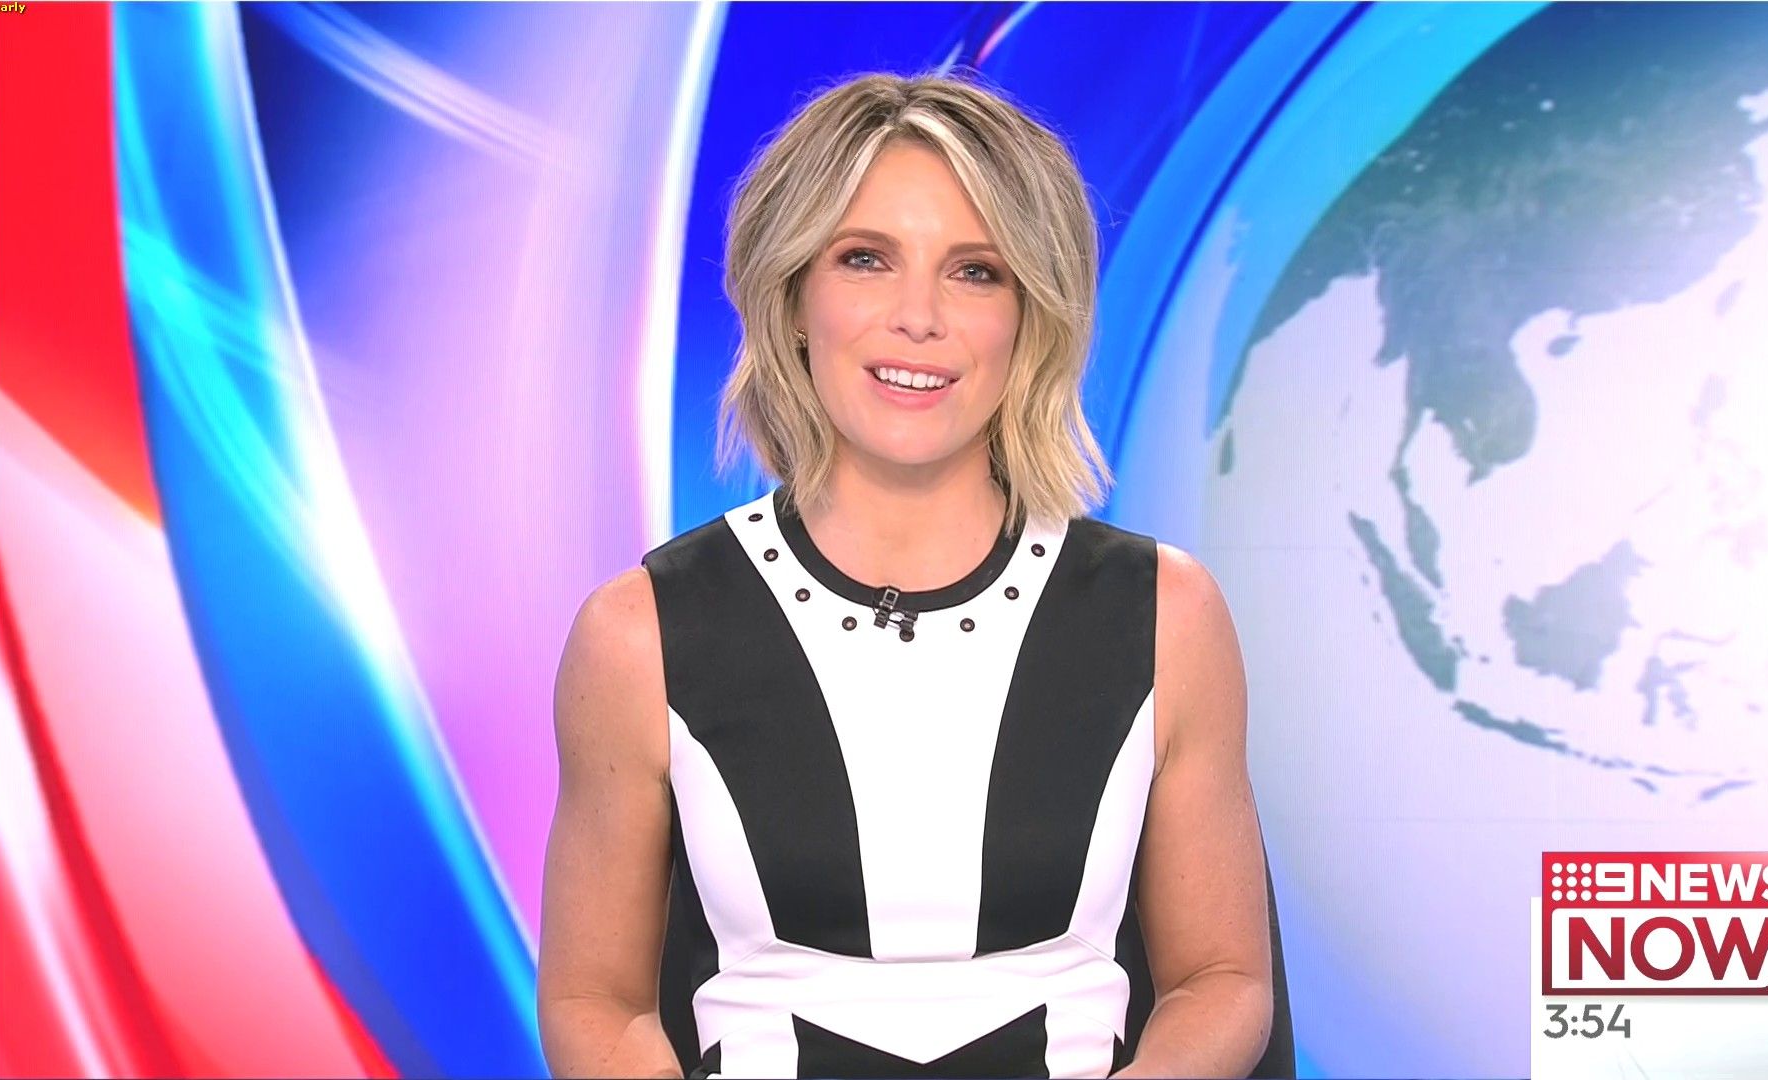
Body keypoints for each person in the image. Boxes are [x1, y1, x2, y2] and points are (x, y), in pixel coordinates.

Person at [538, 71, 1276, 1079]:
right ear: (793, 295)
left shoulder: (1165, 616)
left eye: (976, 272)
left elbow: (1222, 980)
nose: (917, 317)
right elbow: (593, 1002)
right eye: (865, 259)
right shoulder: (639, 635)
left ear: (1032, 314)